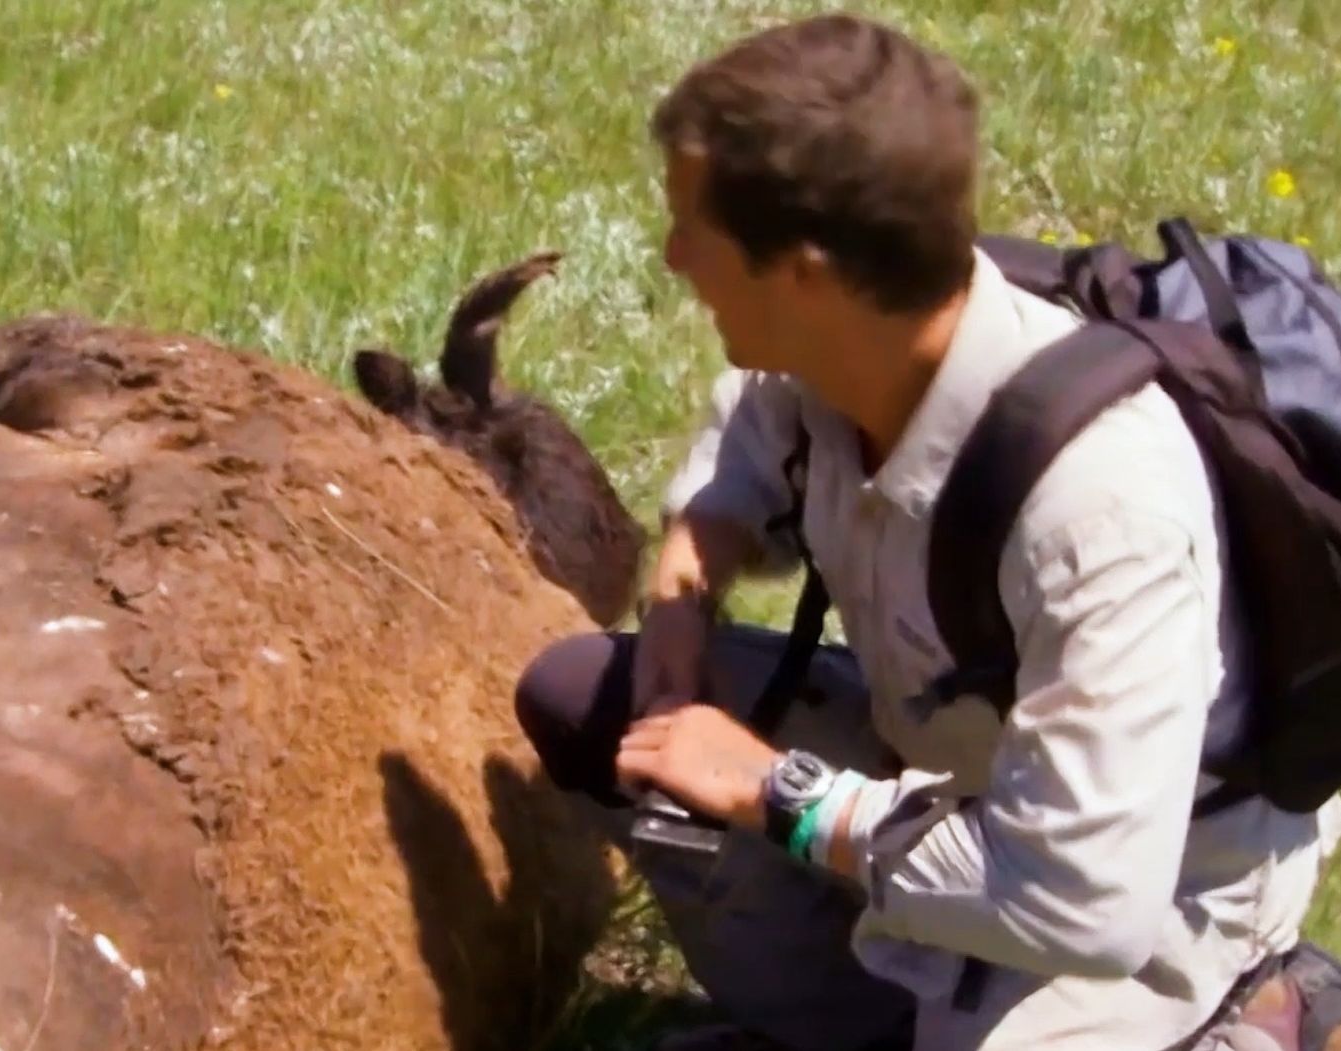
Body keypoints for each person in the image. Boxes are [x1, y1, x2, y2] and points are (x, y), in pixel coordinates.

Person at [513, 12, 1341, 1051]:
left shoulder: (1103, 509)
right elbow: (741, 456)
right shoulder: (850, 350)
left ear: (806, 270)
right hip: (947, 776)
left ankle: (1266, 1013)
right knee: (587, 700)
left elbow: (1083, 900)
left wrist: (777, 792)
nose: (674, 258)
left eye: (694, 230)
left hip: (1148, 883)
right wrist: (684, 592)